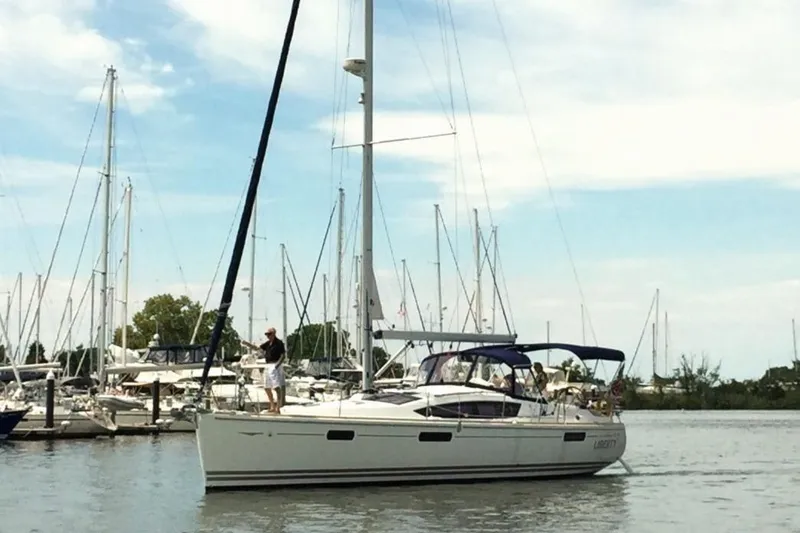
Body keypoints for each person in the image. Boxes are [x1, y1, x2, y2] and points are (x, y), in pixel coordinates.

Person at [242, 327, 286, 414]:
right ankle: (272, 406)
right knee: (266, 387)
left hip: (275, 365)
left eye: (269, 334)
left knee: (276, 387)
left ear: (273, 333)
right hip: (268, 365)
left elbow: (283, 355)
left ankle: (278, 407)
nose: (267, 336)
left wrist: (277, 365)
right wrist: (247, 344)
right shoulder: (268, 343)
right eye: (266, 334)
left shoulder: (279, 343)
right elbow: (258, 348)